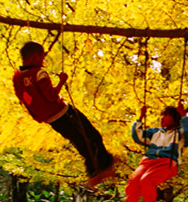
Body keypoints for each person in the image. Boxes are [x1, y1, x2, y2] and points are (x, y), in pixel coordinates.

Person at [12, 41, 115, 188]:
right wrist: (61, 81)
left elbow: (23, 97)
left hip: (50, 118)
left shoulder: (17, 77)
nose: (43, 61)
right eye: (42, 57)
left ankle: (96, 171)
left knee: (80, 141)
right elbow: (51, 96)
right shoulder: (39, 73)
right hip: (62, 112)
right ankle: (103, 167)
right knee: (92, 136)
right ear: (35, 57)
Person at [117, 102, 188, 202]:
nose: (161, 118)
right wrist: (140, 117)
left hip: (166, 162)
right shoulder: (155, 132)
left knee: (146, 181)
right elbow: (138, 136)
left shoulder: (179, 134)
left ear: (174, 118)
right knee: (133, 181)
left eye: (166, 116)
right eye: (161, 116)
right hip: (148, 161)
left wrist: (184, 115)